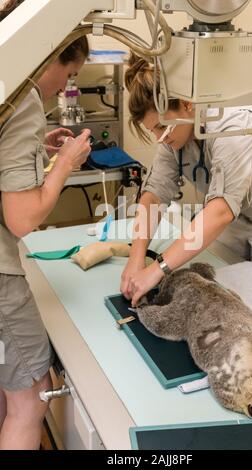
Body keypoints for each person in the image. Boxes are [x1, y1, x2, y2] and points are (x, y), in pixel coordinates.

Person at [121, 53, 252, 307]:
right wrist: (136, 258)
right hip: (238, 227)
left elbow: (220, 211)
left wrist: (157, 269)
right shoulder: (178, 133)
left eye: (162, 128)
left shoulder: (236, 122)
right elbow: (154, 195)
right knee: (229, 306)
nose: (160, 138)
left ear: (186, 105)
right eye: (153, 131)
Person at [0, 2, 91, 450]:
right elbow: (22, 218)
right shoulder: (22, 96)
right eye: (70, 75)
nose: (64, 87)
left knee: (7, 385)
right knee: (32, 400)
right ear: (50, 53)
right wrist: (65, 165)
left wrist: (39, 148)